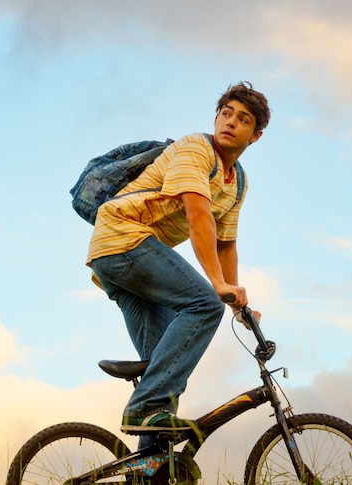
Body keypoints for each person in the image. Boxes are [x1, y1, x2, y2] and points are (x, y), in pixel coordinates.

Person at [86, 82, 271, 438]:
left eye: (243, 119)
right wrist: (217, 289)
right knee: (203, 305)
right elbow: (198, 214)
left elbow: (224, 243)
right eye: (226, 113)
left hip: (124, 259)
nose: (230, 122)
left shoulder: (237, 182)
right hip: (123, 238)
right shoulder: (195, 149)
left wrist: (236, 303)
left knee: (163, 370)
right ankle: (143, 408)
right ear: (216, 117)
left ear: (256, 136)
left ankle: (147, 472)